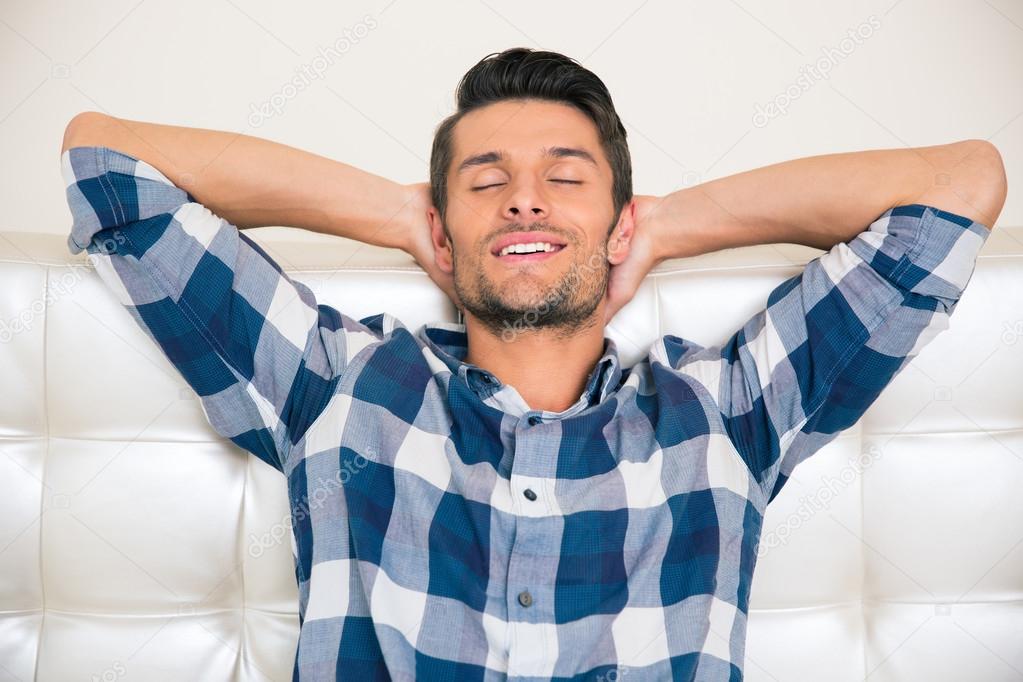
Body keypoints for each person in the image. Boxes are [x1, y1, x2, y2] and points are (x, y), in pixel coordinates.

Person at [60, 47, 1005, 681]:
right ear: (442, 222)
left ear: (618, 221)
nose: (523, 203)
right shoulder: (336, 386)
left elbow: (958, 185)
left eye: (563, 179)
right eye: (485, 183)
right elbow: (106, 159)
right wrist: (397, 214)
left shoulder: (726, 411)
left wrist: (669, 224)